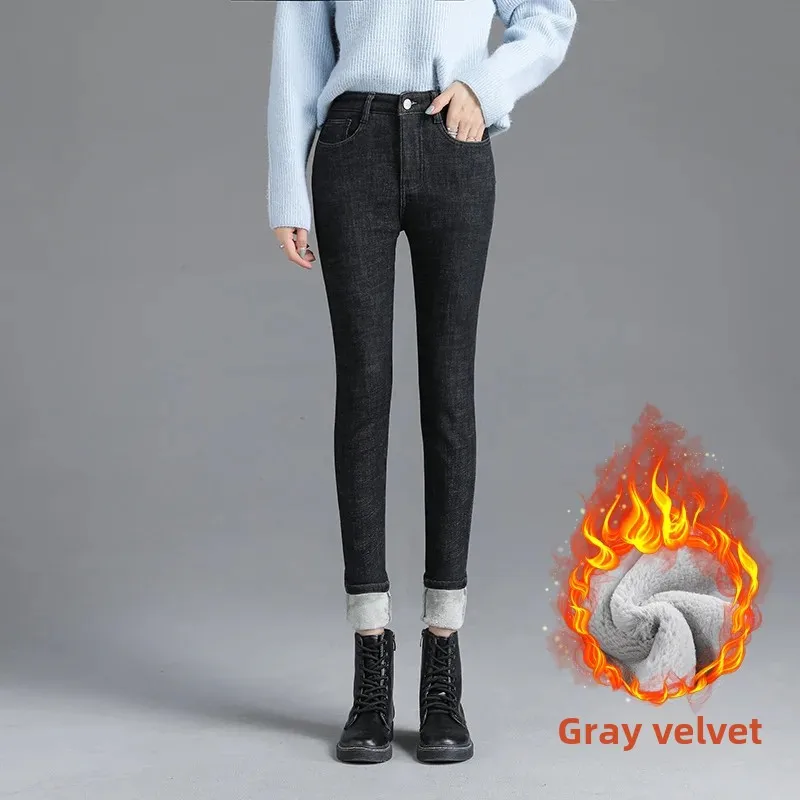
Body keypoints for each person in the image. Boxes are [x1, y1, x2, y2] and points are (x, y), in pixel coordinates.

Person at [267, 0, 577, 764]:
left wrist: (486, 88)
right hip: (353, 143)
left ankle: (443, 663)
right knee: (363, 397)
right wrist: (286, 188)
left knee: (449, 400)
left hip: (453, 141)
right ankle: (370, 667)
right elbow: (299, 43)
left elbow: (549, 16)